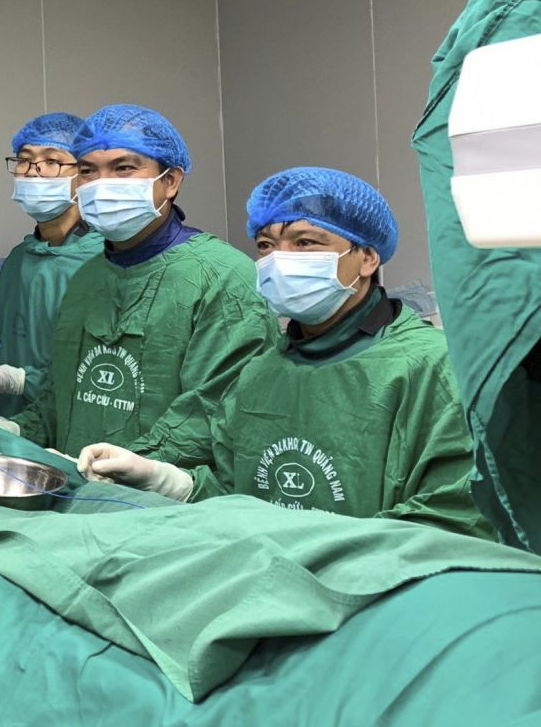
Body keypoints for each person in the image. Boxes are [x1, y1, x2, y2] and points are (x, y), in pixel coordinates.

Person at [78, 167, 494, 539]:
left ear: (367, 257)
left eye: (306, 242)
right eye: (265, 246)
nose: (280, 260)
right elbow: (235, 493)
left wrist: (325, 562)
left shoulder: (433, 368)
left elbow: (453, 519)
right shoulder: (260, 374)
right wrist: (164, 479)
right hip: (270, 581)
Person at [0, 103, 276, 458]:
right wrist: (20, 431)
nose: (102, 184)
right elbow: (62, 397)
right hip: (81, 482)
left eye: (124, 168)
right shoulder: (89, 278)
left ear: (171, 181)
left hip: (165, 488)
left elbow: (216, 415)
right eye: (88, 171)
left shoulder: (223, 277)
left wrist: (140, 470)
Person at [0, 112, 104, 417]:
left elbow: (100, 370)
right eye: (24, 160)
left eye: (52, 161)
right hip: (17, 424)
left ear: (84, 174)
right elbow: (14, 345)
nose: (34, 172)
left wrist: (15, 380)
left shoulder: (103, 263)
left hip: (80, 428)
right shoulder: (18, 260)